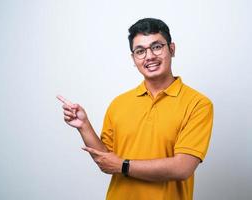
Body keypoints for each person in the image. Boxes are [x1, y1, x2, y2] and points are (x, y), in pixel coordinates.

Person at [57, 18, 213, 200]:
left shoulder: (198, 104)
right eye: (140, 51)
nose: (149, 56)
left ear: (172, 49)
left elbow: (182, 168)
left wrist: (123, 165)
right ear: (133, 59)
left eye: (156, 47)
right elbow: (106, 161)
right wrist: (84, 125)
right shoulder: (119, 103)